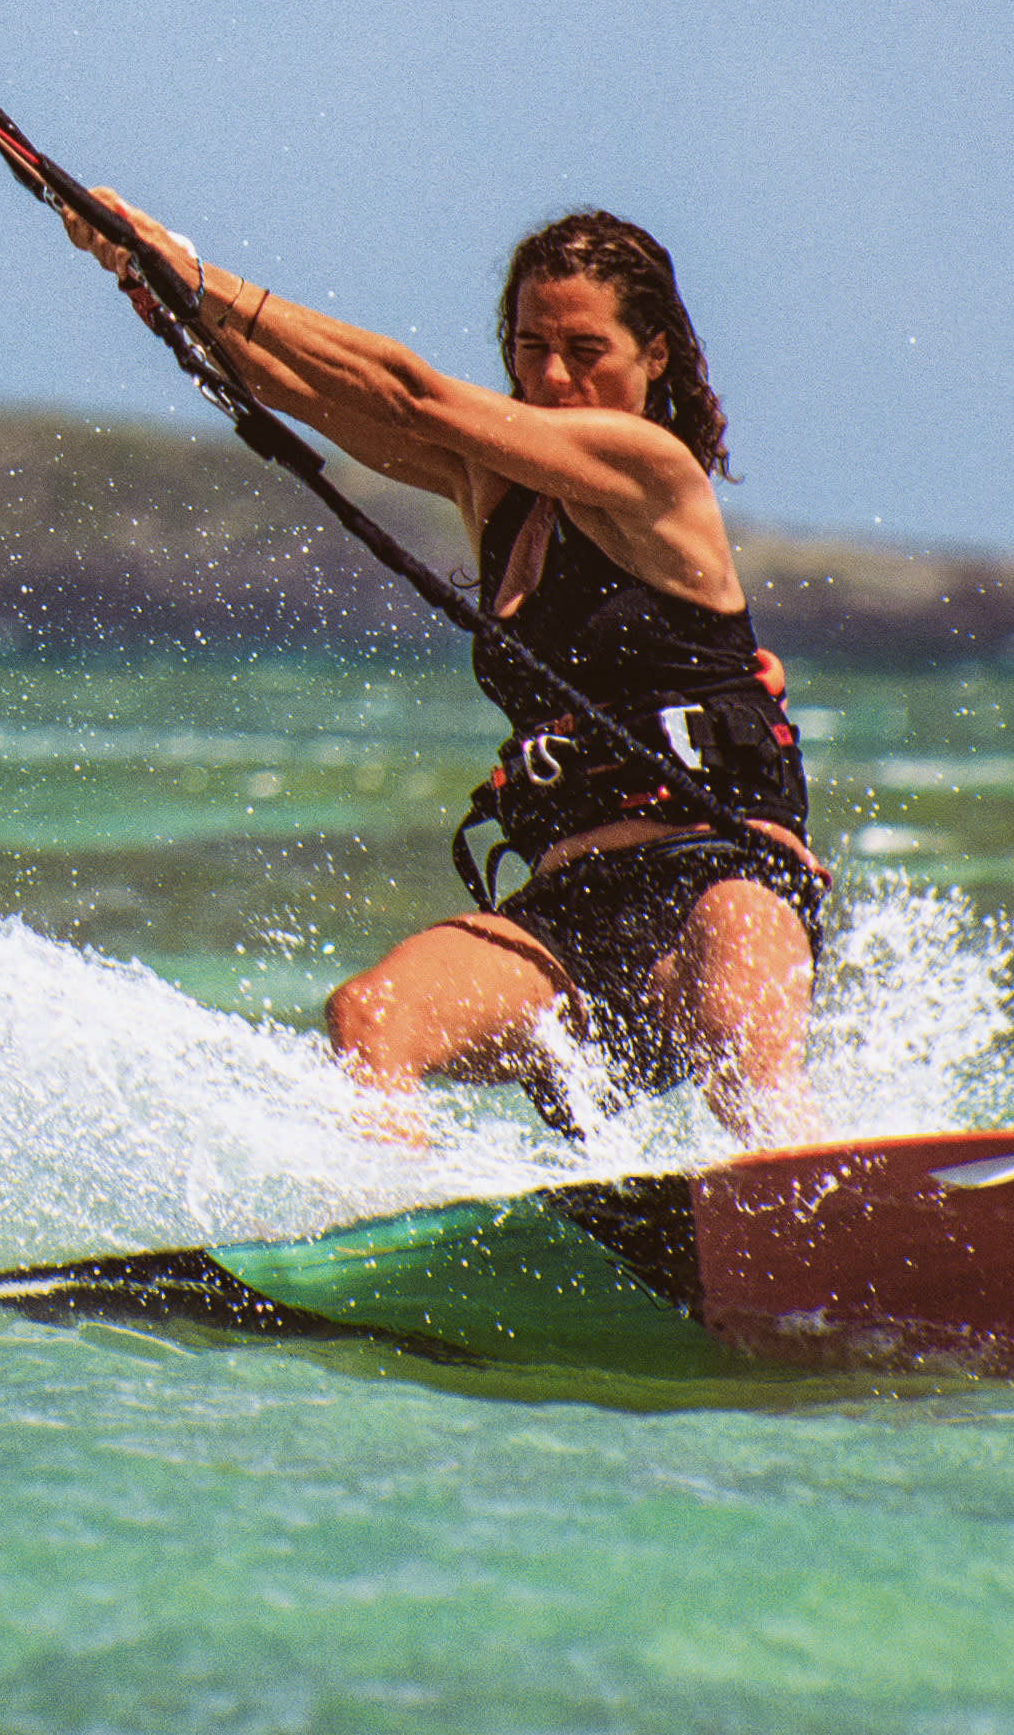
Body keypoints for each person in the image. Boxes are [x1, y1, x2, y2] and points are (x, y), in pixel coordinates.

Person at [64, 193, 813, 1134]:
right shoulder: (489, 480)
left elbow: (407, 390)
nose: (551, 376)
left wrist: (200, 276)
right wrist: (147, 271)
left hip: (720, 877)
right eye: (530, 346)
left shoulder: (651, 468)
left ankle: (805, 1201)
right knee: (369, 1019)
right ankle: (384, 1239)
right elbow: (289, 386)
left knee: (730, 989)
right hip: (572, 912)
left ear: (651, 356)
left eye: (586, 353)